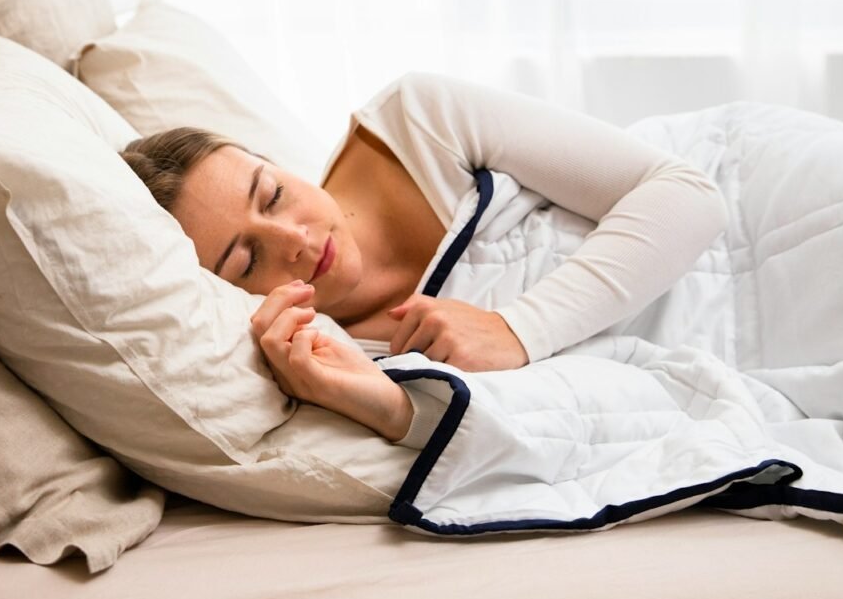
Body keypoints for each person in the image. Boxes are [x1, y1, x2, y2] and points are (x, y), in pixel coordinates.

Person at [120, 73, 730, 445]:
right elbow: (531, 436)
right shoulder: (325, 356)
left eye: (273, 193)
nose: (296, 241)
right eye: (247, 261)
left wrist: (518, 329)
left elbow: (687, 194)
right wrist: (393, 409)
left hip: (754, 191)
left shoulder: (416, 120)